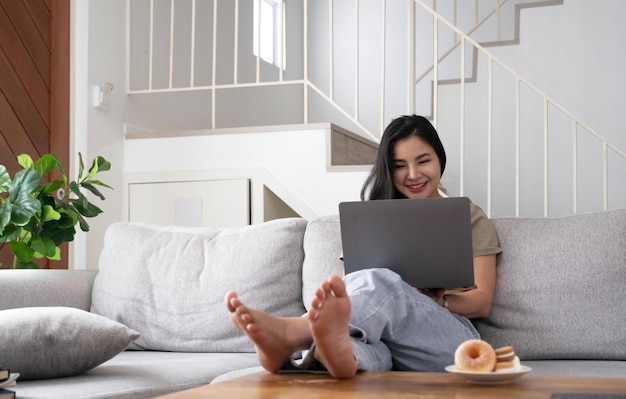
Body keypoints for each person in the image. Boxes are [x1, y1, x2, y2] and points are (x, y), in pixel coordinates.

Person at [225, 115, 502, 378]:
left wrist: (432, 299)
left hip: (449, 339)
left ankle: (295, 332)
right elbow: (352, 286)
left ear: (439, 159)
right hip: (387, 342)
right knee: (348, 345)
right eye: (399, 166)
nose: (413, 174)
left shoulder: (467, 215)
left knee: (382, 281)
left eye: (423, 161)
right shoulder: (374, 221)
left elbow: (482, 301)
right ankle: (325, 359)